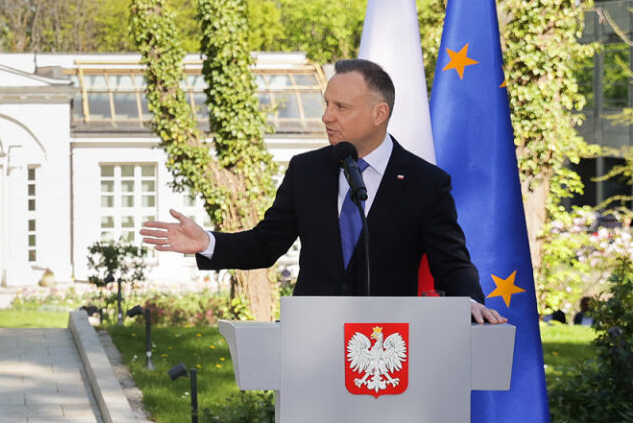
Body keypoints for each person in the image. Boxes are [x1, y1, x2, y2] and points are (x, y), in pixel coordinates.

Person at [140, 58, 505, 325]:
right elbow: (266, 244)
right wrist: (207, 242)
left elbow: (452, 263)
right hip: (312, 342)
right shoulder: (307, 171)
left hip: (389, 350)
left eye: (341, 107)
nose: (326, 116)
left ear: (380, 113)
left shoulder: (426, 184)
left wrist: (469, 301)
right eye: (326, 104)